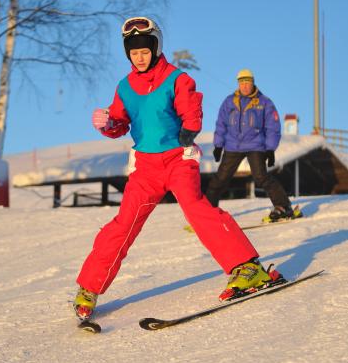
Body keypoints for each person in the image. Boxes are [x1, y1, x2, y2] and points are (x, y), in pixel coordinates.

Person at [73, 19, 284, 320]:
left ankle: (246, 268)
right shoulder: (124, 87)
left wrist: (189, 128)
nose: (140, 57)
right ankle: (88, 289)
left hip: (177, 159)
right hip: (145, 167)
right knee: (124, 224)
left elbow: (191, 108)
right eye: (134, 53)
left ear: (156, 48)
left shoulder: (176, 78)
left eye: (145, 51)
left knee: (197, 209)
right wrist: (108, 123)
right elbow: (120, 122)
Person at [206, 69, 301, 221]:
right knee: (220, 178)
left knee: (261, 177)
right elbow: (221, 124)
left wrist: (270, 149)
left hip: (255, 145)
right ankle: (207, 212)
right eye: (242, 83)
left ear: (253, 83)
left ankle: (283, 207)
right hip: (232, 146)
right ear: (238, 84)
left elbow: (273, 127)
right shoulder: (229, 102)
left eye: (247, 83)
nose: (245, 86)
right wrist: (218, 145)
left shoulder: (264, 103)